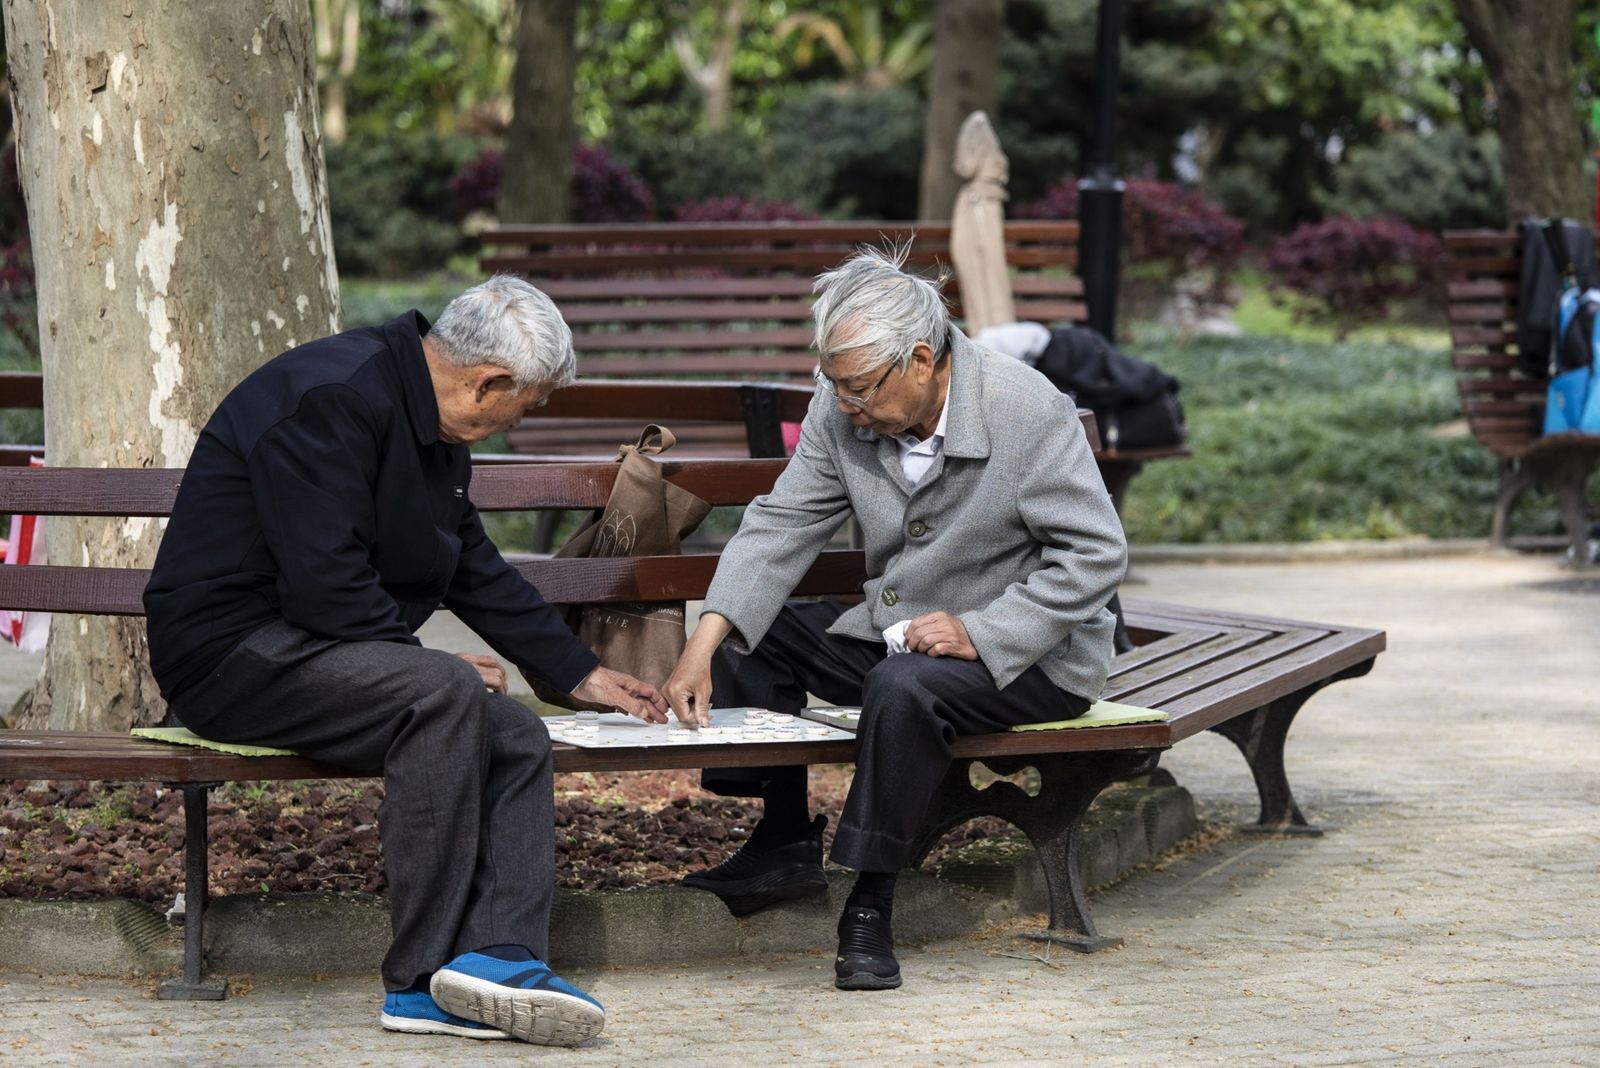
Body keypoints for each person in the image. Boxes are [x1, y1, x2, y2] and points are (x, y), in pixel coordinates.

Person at [143, 276, 667, 1046]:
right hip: (230, 656)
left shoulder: (428, 422)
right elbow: (324, 581)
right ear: (489, 381)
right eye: (525, 406)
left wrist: (580, 672)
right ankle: (419, 982)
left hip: (320, 651)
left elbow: (472, 567)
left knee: (515, 734)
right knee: (445, 691)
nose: (519, 423)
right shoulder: (331, 397)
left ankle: (497, 957)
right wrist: (417, 664)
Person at [663, 245, 1127, 991]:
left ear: (919, 359)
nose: (844, 405)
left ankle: (871, 901)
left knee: (903, 688)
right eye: (834, 386)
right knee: (759, 635)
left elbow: (1096, 554)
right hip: (901, 638)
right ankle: (782, 836)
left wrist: (984, 631)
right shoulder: (841, 403)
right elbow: (782, 525)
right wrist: (704, 637)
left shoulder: (1024, 408)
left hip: (1035, 658)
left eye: (857, 390)